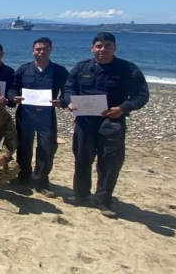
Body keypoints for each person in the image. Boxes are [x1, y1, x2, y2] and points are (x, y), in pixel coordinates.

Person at [63, 32, 149, 218]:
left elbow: (141, 95)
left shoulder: (127, 69)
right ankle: (81, 195)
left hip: (112, 122)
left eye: (107, 46)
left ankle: (103, 200)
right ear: (92, 48)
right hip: (84, 121)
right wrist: (69, 101)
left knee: (109, 162)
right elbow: (69, 88)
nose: (103, 50)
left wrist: (124, 108)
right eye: (99, 46)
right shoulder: (81, 67)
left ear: (114, 48)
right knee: (82, 159)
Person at [7, 37, 70, 197]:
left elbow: (69, 89)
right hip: (25, 114)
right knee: (23, 147)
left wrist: (62, 101)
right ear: (33, 51)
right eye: (38, 49)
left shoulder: (59, 70)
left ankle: (41, 181)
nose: (42, 52)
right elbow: (12, 88)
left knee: (47, 148)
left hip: (46, 115)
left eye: (45, 49)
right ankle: (23, 177)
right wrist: (14, 97)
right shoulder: (23, 70)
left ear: (50, 50)